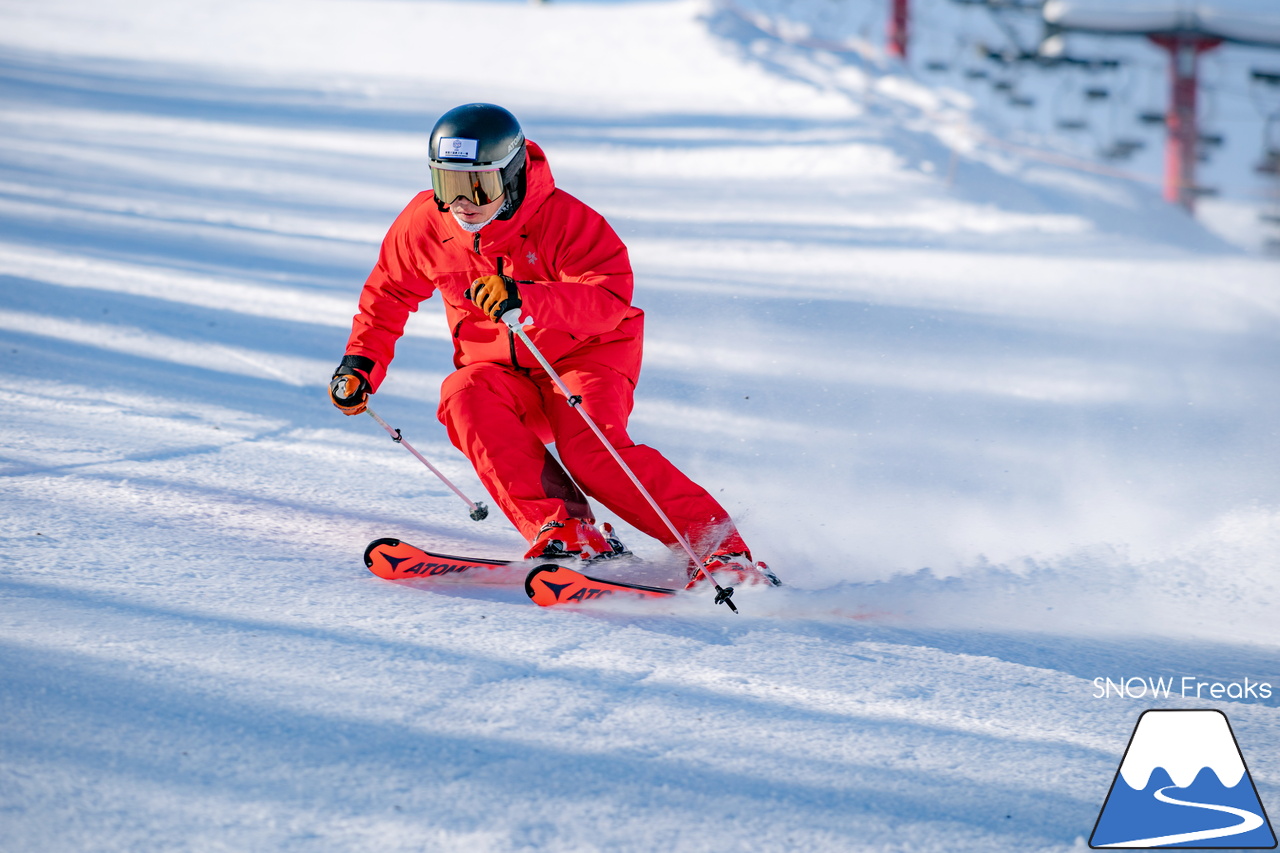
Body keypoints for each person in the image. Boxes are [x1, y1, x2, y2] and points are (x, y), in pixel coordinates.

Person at [329, 103, 774, 586]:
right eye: (447, 184)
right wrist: (360, 364)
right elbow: (389, 293)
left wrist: (527, 298)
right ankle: (567, 530)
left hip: (585, 356)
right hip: (503, 373)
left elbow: (608, 299)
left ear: (513, 174)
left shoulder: (565, 220)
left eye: (478, 184)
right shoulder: (425, 224)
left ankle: (720, 550)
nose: (462, 201)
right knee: (464, 394)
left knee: (590, 451)